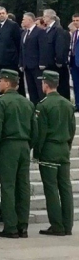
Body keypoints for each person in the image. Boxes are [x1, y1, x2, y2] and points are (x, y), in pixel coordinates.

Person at [0, 69, 35, 238]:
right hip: (24, 145)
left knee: (8, 186)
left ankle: (11, 226)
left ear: (7, 82)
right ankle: (23, 225)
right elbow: (35, 129)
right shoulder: (27, 103)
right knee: (23, 186)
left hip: (8, 146)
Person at [34, 70, 75, 236]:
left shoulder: (43, 106)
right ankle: (68, 224)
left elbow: (40, 133)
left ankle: (57, 225)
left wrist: (37, 153)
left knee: (51, 188)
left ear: (45, 84)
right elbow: (72, 129)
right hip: (63, 148)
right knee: (65, 187)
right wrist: (68, 145)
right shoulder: (68, 104)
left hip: (49, 150)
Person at [0, 6, 22, 96]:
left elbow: (18, 43)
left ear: (6, 14)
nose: (1, 15)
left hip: (10, 60)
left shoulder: (13, 25)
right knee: (0, 81)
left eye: (3, 13)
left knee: (10, 82)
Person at [42, 10, 70, 99]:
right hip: (50, 63)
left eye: (44, 16)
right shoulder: (48, 29)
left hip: (56, 64)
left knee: (61, 87)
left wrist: (59, 61)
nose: (43, 18)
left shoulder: (57, 29)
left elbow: (60, 46)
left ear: (50, 17)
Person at [20, 12, 47, 104]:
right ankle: (34, 106)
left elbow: (43, 48)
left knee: (39, 87)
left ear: (30, 20)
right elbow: (22, 49)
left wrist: (42, 62)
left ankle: (42, 106)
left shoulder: (39, 32)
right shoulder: (24, 33)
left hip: (37, 65)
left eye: (24, 19)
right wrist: (21, 63)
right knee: (31, 88)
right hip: (27, 65)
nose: (22, 21)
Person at [70, 13, 79, 111]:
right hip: (74, 62)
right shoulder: (74, 33)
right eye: (74, 21)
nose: (75, 22)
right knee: (76, 84)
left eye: (77, 20)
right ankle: (77, 103)